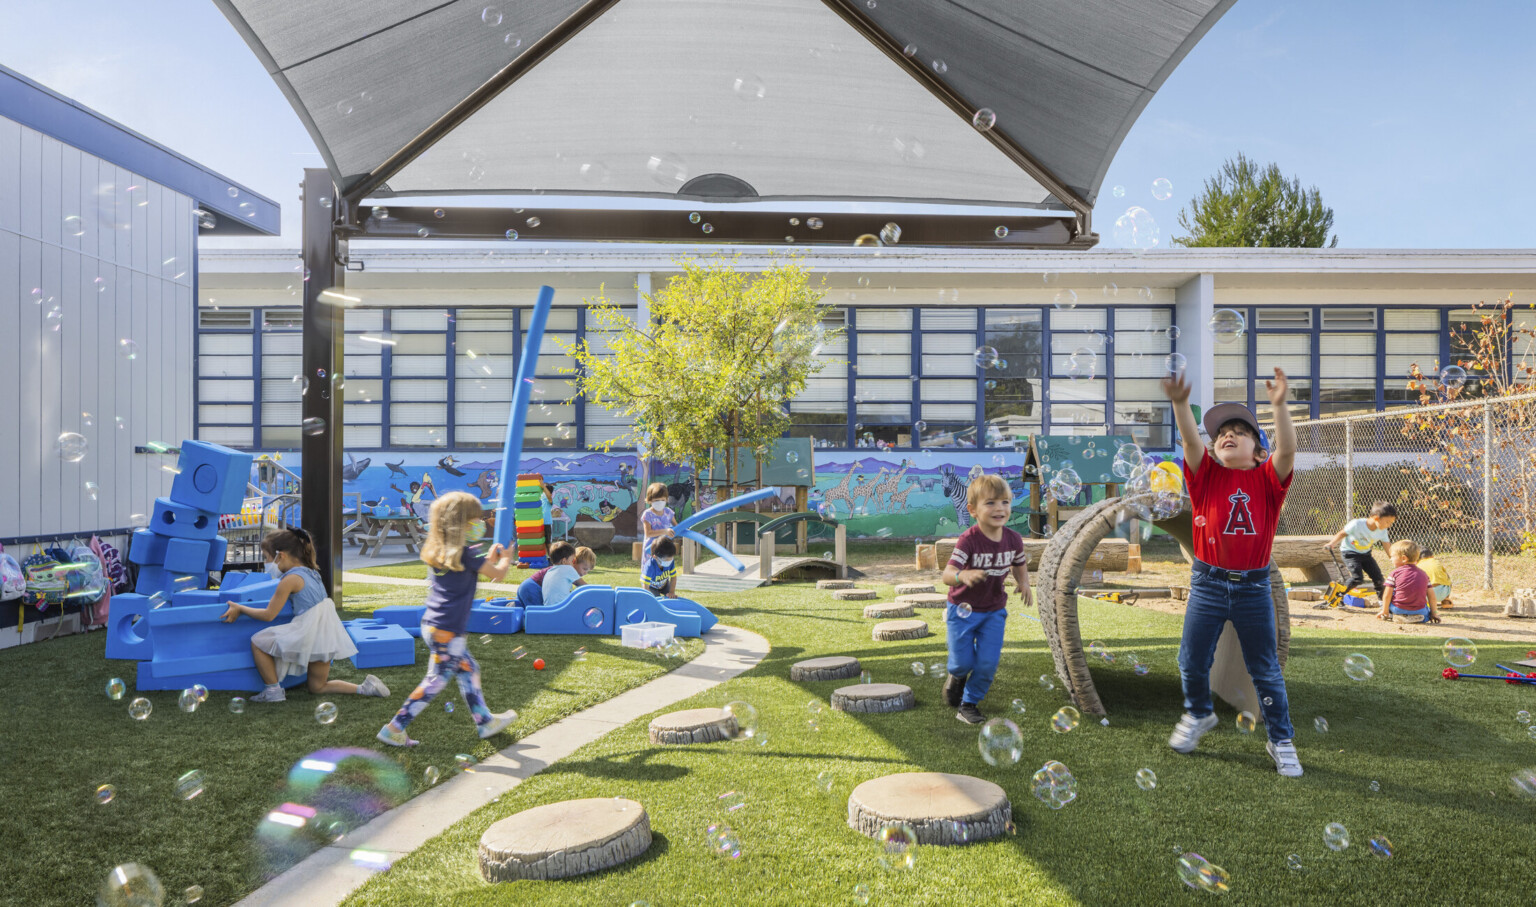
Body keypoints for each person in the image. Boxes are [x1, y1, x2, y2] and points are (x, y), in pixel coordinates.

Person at [1163, 368, 1303, 777]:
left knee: (1265, 668)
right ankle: (1198, 714)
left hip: (1254, 589)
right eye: (1222, 432)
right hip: (1207, 584)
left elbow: (1288, 452)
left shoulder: (1267, 480)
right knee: (1191, 661)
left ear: (1259, 452)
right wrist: (1179, 402)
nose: (1228, 434)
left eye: (1241, 431)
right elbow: (1191, 440)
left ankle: (1281, 740)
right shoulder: (1205, 476)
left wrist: (1279, 406)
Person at [377, 492, 519, 747]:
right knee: (435, 681)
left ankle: (485, 721)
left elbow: (473, 568)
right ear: (460, 523)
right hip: (449, 630)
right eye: (475, 520)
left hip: (434, 626)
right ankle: (394, 728)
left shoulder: (441, 551)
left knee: (469, 669)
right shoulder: (466, 554)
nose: (480, 523)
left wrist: (489, 559)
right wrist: (506, 557)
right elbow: (498, 574)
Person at [221, 528, 389, 703]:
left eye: (266, 557)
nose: (266, 563)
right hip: (325, 636)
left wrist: (240, 608)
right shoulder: (313, 572)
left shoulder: (289, 580)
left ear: (281, 556)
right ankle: (364, 688)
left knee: (257, 641)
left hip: (306, 632)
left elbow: (269, 615)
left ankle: (273, 691)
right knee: (318, 687)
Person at [939, 473, 1029, 725]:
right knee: (962, 663)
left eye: (1005, 502)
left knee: (988, 663)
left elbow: (1019, 564)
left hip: (993, 611)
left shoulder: (1013, 539)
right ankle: (956, 677)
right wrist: (962, 575)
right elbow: (947, 575)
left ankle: (969, 704)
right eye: (990, 503)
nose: (1000, 508)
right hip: (962, 609)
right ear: (973, 510)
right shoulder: (969, 539)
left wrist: (1024, 583)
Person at [1327, 502, 1397, 599]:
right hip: (1350, 553)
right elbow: (1343, 533)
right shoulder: (1357, 524)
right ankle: (1337, 596)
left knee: (1379, 579)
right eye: (1387, 522)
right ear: (1376, 518)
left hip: (1366, 555)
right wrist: (1332, 543)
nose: (1389, 525)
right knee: (1357, 578)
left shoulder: (1382, 531)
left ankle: (1382, 602)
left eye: (1391, 523)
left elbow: (1387, 545)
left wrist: (1394, 560)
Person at [1376, 540, 1441, 624]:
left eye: (1392, 556)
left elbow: (1387, 595)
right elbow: (1432, 596)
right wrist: (1434, 613)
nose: (1391, 559)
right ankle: (1420, 617)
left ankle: (1394, 615)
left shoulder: (1394, 573)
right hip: (1420, 611)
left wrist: (1384, 611)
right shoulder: (1424, 574)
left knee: (1392, 592)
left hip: (1398, 609)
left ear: (1403, 558)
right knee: (1426, 611)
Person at [514, 541, 575, 609]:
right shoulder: (564, 571)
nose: (572, 564)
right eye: (572, 560)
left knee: (527, 610)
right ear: (564, 561)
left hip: (526, 586)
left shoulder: (554, 569)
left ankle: (515, 605)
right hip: (532, 589)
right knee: (539, 614)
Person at [640, 483, 676, 575]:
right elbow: (648, 533)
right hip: (651, 549)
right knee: (650, 571)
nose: (659, 502)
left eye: (662, 500)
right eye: (656, 500)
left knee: (663, 571)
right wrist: (665, 531)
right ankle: (647, 588)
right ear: (650, 500)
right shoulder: (648, 514)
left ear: (666, 499)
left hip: (665, 548)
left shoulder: (668, 512)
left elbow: (677, 527)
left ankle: (663, 588)